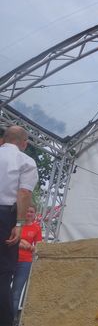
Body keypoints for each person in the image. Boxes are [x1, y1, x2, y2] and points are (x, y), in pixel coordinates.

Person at [0, 126, 38, 326]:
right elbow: (24, 193)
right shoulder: (25, 161)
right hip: (4, 216)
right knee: (3, 273)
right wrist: (20, 223)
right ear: (24, 143)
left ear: (2, 139)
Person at [11, 205, 42, 320]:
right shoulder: (16, 225)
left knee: (16, 293)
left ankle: (12, 319)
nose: (29, 213)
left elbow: (38, 247)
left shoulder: (36, 228)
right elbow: (9, 240)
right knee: (4, 289)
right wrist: (24, 242)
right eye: (27, 211)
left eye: (31, 212)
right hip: (10, 259)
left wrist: (27, 246)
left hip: (25, 263)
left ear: (35, 214)